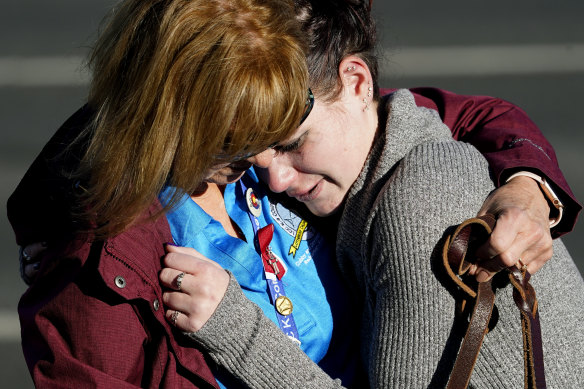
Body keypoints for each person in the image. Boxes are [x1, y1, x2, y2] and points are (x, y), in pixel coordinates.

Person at [10, 1, 582, 388]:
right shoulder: (364, 147)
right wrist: (55, 212)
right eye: (240, 149)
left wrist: (234, 328)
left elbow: (470, 115)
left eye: (286, 141)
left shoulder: (408, 199)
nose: (270, 176)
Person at [8, 0, 312, 386]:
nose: (269, 160)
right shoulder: (103, 256)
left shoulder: (250, 159)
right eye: (237, 140)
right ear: (168, 115)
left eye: (287, 123)